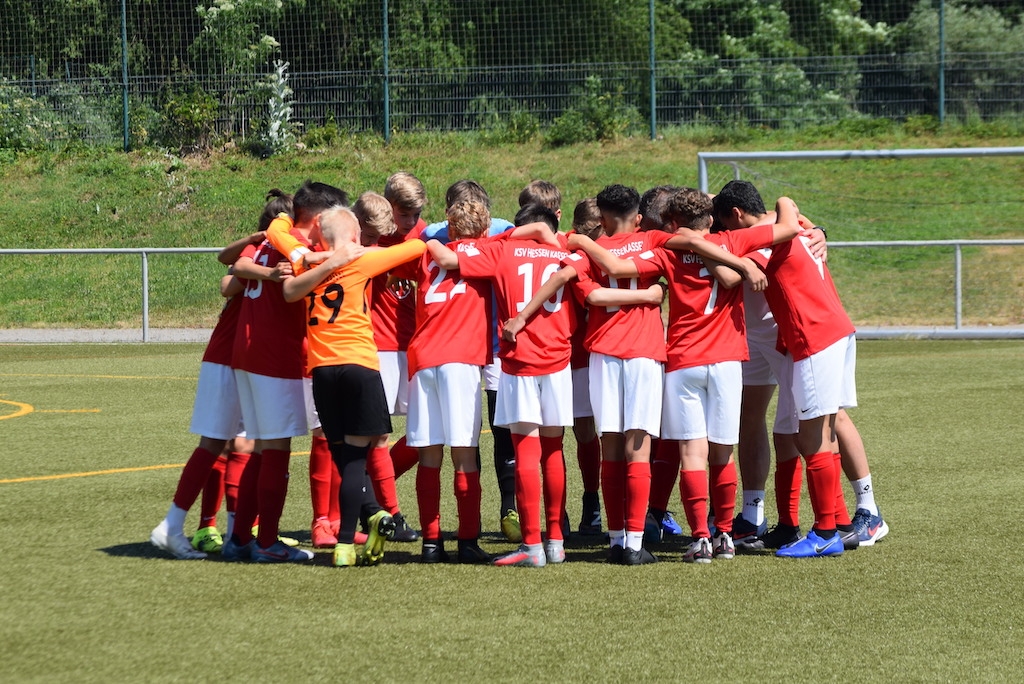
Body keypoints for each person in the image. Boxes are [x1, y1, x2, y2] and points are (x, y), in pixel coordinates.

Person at [571, 188, 802, 563]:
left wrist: (582, 240)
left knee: (691, 453)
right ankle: (724, 535)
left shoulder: (666, 250)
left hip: (684, 359)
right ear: (710, 219)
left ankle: (700, 540)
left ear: (673, 223)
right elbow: (787, 226)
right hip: (727, 358)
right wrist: (787, 203)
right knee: (722, 452)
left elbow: (619, 268)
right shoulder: (733, 241)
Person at [712, 180, 888, 551]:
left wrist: (695, 244)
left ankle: (845, 522)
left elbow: (731, 275)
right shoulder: (786, 221)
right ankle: (818, 524)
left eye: (725, 223)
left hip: (810, 336)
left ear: (737, 215)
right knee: (793, 431)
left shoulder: (768, 236)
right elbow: (787, 210)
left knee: (818, 429)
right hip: (815, 334)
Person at [427, 204, 573, 567]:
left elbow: (449, 260)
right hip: (558, 358)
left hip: (520, 358)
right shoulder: (565, 250)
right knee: (554, 450)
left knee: (526, 451)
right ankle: (556, 542)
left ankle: (532, 546)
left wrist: (425, 241)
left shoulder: (501, 249)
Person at [282, 206, 425, 566]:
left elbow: (289, 291)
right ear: (351, 238)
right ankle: (346, 542)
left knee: (343, 457)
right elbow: (416, 248)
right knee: (356, 460)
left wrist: (322, 258)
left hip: (322, 372)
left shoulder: (306, 266)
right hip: (359, 367)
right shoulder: (360, 261)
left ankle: (372, 515)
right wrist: (359, 253)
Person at [150, 195, 283, 560]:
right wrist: (263, 263)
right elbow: (228, 280)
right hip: (228, 358)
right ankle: (181, 525)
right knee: (216, 444)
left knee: (242, 445)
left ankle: (235, 530)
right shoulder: (259, 255)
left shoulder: (274, 257)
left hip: (243, 360)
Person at [222, 181, 349, 563]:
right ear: (320, 218)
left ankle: (240, 538)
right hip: (274, 359)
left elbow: (235, 265)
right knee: (275, 452)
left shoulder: (272, 238)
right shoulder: (299, 246)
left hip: (248, 355)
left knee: (263, 449)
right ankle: (266, 543)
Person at [422, 179, 521, 542]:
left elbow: (429, 238)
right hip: (472, 344)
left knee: (484, 432)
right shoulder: (498, 232)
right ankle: (489, 517)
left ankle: (495, 511)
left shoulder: (438, 235)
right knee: (482, 433)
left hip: (481, 344)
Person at [407, 200, 494, 563]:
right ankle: (468, 541)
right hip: (460, 358)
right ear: (485, 230)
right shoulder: (490, 250)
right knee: (464, 453)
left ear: (452, 229)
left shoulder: (426, 254)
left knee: (429, 454)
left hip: (423, 356)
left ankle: (430, 543)